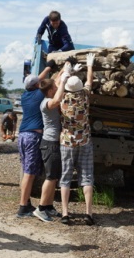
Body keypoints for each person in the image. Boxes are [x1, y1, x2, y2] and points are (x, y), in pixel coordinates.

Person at [16, 60, 58, 218]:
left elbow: (37, 79)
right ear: (37, 85)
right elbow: (47, 82)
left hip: (22, 135)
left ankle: (25, 203)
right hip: (33, 137)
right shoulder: (40, 94)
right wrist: (64, 70)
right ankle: (22, 207)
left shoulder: (26, 94)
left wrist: (47, 67)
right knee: (29, 173)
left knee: (27, 170)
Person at [59, 53, 95, 225]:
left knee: (65, 176)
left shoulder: (63, 98)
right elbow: (89, 81)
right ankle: (88, 213)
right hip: (85, 141)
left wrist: (67, 72)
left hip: (67, 141)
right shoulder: (85, 96)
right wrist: (89, 65)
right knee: (87, 176)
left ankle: (65, 213)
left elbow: (58, 83)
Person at [33, 67, 71, 222]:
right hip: (49, 144)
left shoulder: (48, 95)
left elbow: (55, 82)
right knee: (50, 177)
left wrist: (64, 70)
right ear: (49, 92)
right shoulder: (47, 103)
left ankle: (48, 206)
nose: (57, 89)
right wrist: (64, 81)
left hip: (53, 143)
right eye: (54, 88)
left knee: (54, 177)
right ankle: (41, 208)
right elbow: (56, 100)